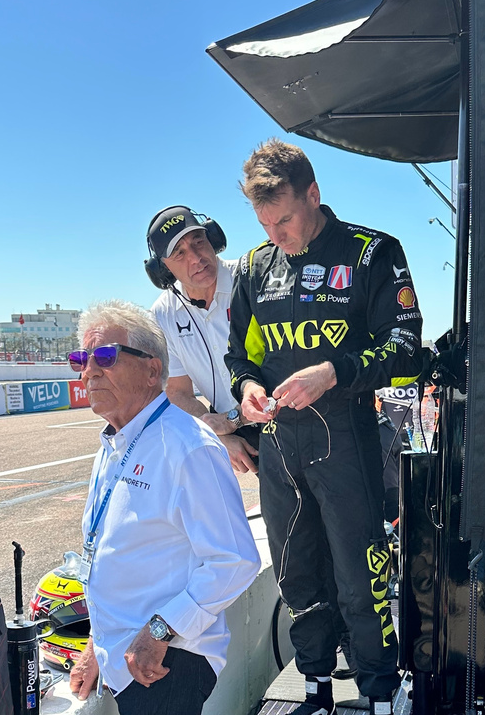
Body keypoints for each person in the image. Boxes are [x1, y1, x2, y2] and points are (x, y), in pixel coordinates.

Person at [226, 138, 423, 715]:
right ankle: (313, 685)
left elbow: (407, 349)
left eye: (283, 219)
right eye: (264, 223)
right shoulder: (255, 266)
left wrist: (334, 372)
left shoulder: (373, 252)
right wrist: (248, 389)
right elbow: (241, 357)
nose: (275, 235)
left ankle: (381, 689)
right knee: (296, 576)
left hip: (350, 441)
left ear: (314, 194)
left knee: (360, 578)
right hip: (280, 446)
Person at [67, 300, 261, 715]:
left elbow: (235, 561)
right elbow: (119, 555)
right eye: (81, 359)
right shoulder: (115, 442)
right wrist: (95, 647)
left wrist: (159, 632)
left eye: (105, 356)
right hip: (124, 652)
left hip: (167, 658)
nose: (89, 371)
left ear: (152, 370)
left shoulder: (189, 447)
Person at [145, 205, 259, 474]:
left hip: (289, 417)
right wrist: (217, 434)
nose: (196, 257)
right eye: (179, 253)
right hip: (240, 433)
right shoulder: (163, 313)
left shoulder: (251, 279)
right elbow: (177, 392)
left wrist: (231, 421)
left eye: (199, 241)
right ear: (162, 269)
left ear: (214, 240)